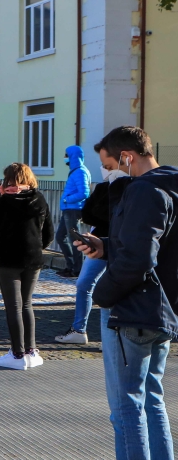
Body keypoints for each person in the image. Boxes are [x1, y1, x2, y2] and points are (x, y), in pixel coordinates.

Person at [73, 126, 177, 459]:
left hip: (132, 308)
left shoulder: (143, 190)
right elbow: (153, 247)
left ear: (128, 157)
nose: (107, 172)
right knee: (151, 399)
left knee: (125, 406)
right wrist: (105, 246)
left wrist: (102, 293)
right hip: (161, 309)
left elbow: (139, 257)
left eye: (109, 164)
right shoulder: (170, 185)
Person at [0, 162, 54, 370]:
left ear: (8, 179)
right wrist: (37, 247)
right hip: (32, 258)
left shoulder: (5, 202)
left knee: (13, 306)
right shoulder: (39, 199)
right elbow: (48, 232)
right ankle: (31, 351)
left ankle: (17, 354)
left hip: (7, 259)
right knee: (27, 304)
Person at [56, 143, 120, 345]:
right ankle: (79, 329)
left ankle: (110, 339)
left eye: (108, 166)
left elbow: (88, 202)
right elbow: (91, 211)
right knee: (84, 284)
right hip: (99, 242)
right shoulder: (104, 186)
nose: (104, 169)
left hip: (117, 245)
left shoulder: (133, 188)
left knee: (111, 290)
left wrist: (67, 200)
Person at [55, 145, 91, 278]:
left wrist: (67, 200)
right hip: (69, 209)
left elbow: (84, 193)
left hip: (73, 209)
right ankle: (71, 266)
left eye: (66, 155)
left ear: (72, 157)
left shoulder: (80, 171)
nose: (65, 158)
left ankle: (77, 269)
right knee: (60, 237)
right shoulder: (76, 170)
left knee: (74, 239)